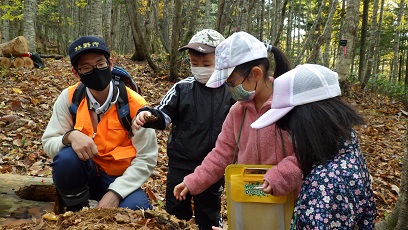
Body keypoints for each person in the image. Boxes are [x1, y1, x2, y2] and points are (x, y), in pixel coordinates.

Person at [173, 32, 303, 212]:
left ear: (256, 74)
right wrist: (194, 181)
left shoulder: (291, 106)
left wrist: (280, 177)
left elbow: (308, 154)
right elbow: (222, 153)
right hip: (250, 198)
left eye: (231, 82)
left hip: (289, 202)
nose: (230, 89)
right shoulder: (237, 112)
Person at [251, 64, 377, 228]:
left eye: (290, 129)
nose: (290, 137)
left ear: (308, 122)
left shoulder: (326, 184)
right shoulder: (346, 147)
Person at [42, 36, 158, 212]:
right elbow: (48, 143)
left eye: (101, 64)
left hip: (119, 178)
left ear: (110, 64)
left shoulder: (135, 105)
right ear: (76, 73)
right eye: (86, 68)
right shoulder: (70, 98)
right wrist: (70, 136)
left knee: (136, 209)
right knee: (66, 159)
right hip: (83, 175)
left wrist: (115, 193)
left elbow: (147, 158)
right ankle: (75, 211)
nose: (96, 70)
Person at [132, 29, 234, 229]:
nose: (200, 69)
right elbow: (163, 114)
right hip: (181, 164)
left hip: (213, 166)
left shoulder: (230, 92)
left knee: (209, 213)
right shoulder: (183, 88)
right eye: (194, 64)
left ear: (222, 62)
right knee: (176, 213)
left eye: (206, 64)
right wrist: (147, 115)